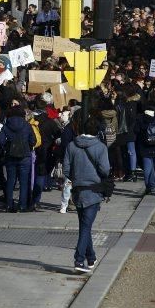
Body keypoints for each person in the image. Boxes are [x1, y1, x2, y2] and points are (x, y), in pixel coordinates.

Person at [63, 117, 109, 274]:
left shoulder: (71, 145)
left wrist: (76, 178)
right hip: (94, 190)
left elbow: (66, 169)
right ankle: (78, 258)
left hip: (77, 190)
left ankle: (91, 257)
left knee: (85, 225)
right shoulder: (100, 147)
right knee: (85, 226)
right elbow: (105, 170)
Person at [0, 106, 34, 213]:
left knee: (11, 180)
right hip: (25, 156)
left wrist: (7, 147)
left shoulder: (6, 125)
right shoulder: (27, 125)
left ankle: (9, 204)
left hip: (10, 156)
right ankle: (22, 205)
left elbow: (0, 141)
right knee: (23, 182)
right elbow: (33, 140)